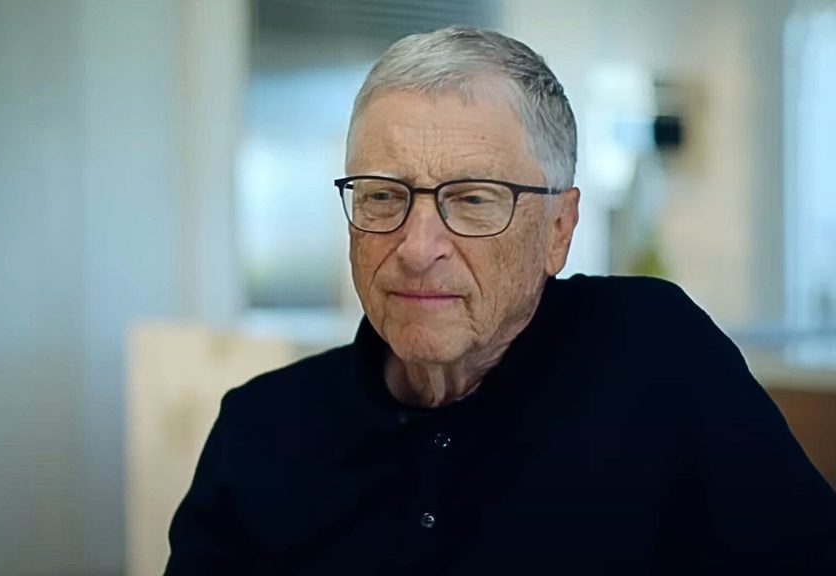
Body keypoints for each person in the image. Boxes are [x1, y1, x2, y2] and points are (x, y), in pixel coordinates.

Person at [165, 26, 836, 575]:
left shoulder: (654, 358)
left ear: (558, 232)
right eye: (382, 195)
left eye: (473, 200)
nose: (415, 245)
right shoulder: (260, 427)